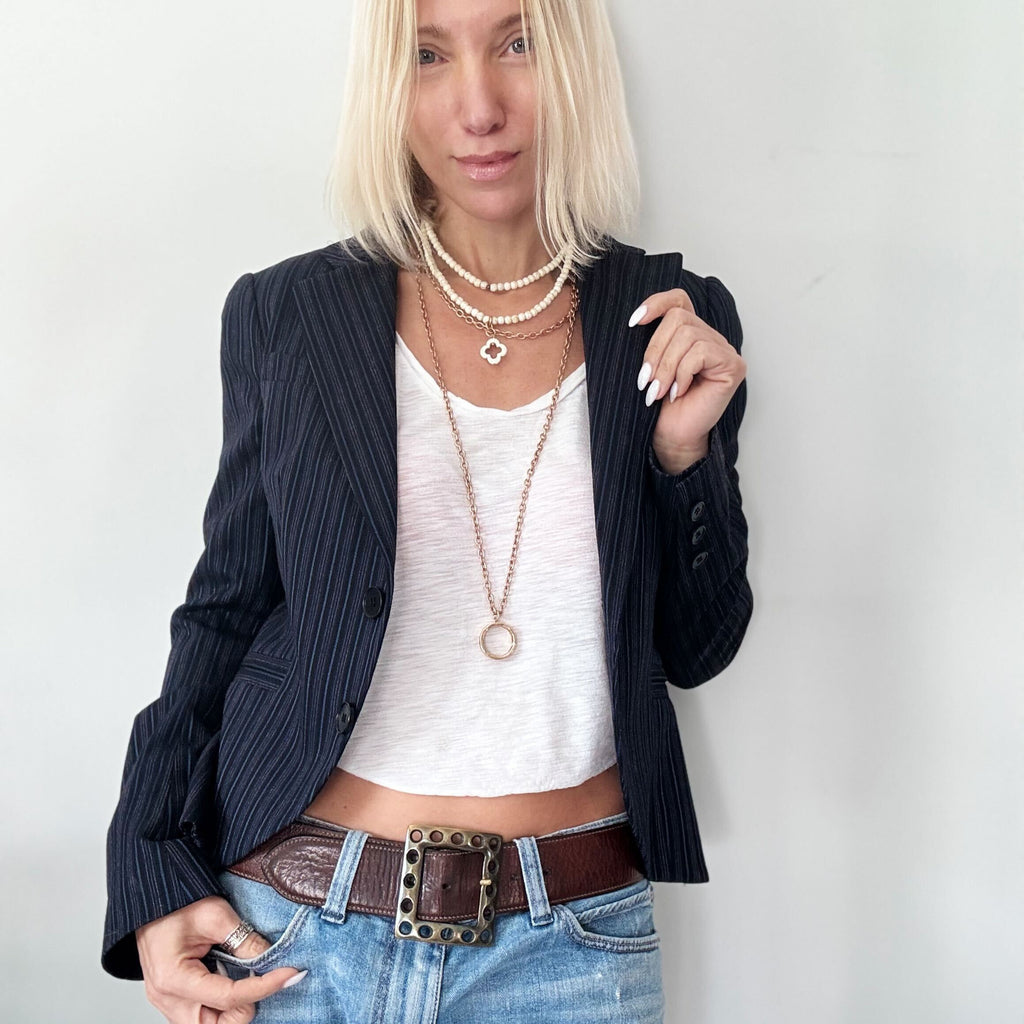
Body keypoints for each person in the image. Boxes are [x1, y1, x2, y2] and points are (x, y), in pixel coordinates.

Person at [101, 0, 752, 1020]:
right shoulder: (290, 313)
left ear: (573, 59)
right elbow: (225, 610)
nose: (478, 107)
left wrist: (682, 458)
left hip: (572, 952)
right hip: (295, 932)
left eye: (517, 43)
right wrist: (152, 869)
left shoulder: (667, 319)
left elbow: (695, 646)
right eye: (428, 56)